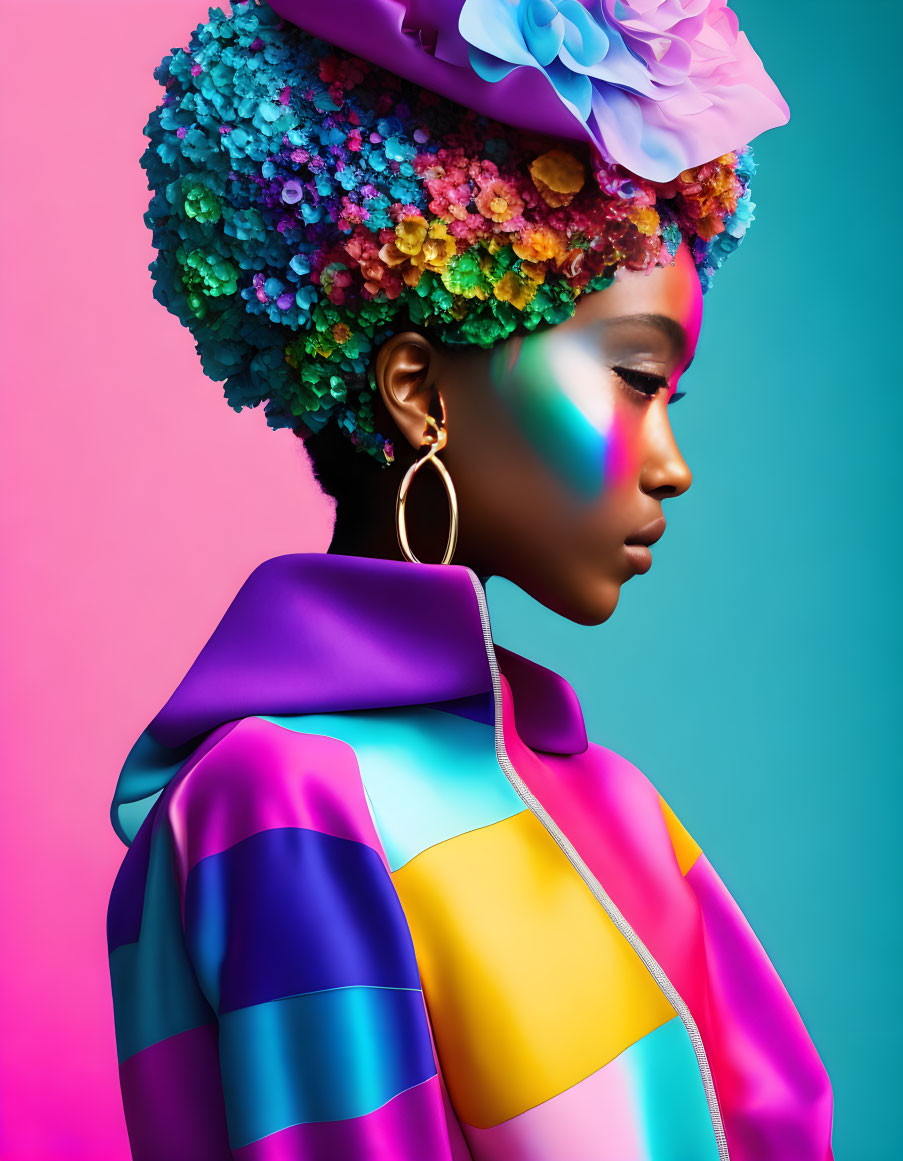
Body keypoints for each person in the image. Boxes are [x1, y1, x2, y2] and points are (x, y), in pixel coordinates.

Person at [107, 1, 835, 1158]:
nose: (674, 466)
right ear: (418, 390)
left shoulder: (623, 804)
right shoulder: (280, 801)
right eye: (637, 380)